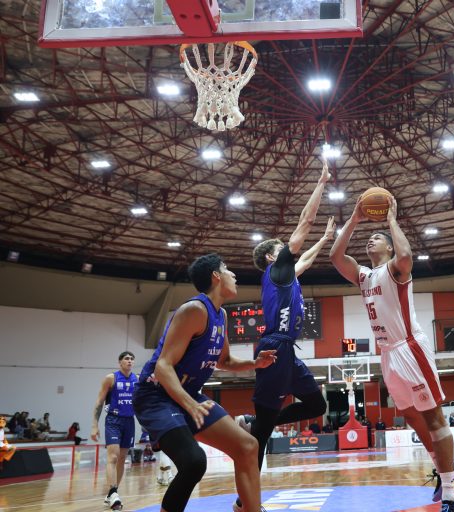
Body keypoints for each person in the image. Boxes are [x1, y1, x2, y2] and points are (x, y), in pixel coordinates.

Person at [330, 195, 454, 512]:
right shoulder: (363, 275)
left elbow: (406, 255)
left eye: (377, 238)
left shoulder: (395, 269)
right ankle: (447, 466)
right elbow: (335, 256)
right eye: (369, 238)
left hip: (409, 347)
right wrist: (355, 218)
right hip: (387, 353)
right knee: (410, 415)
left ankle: (449, 492)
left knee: (433, 417)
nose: (370, 241)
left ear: (388, 247)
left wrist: (390, 220)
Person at [132, 253, 277, 512]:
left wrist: (255, 363)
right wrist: (190, 404)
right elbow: (163, 367)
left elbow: (225, 361)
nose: (234, 275)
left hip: (186, 394)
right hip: (156, 396)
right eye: (228, 269)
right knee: (194, 462)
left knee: (248, 446)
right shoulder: (194, 310)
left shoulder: (221, 315)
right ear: (216, 276)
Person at [233, 160, 334, 512]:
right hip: (275, 347)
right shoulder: (276, 270)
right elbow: (304, 223)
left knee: (317, 406)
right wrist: (321, 182)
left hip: (288, 352)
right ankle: (245, 502)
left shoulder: (287, 276)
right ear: (272, 256)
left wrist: (324, 240)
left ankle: (257, 421)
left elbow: (305, 260)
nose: (290, 253)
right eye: (283, 249)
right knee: (261, 438)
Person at [90, 350, 138, 510]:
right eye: (126, 358)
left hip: (129, 421)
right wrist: (94, 425)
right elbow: (99, 402)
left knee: (122, 458)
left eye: (132, 359)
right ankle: (113, 492)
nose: (130, 361)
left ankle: (112, 492)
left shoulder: (137, 379)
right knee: (113, 457)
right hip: (113, 420)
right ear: (120, 362)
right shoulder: (111, 378)